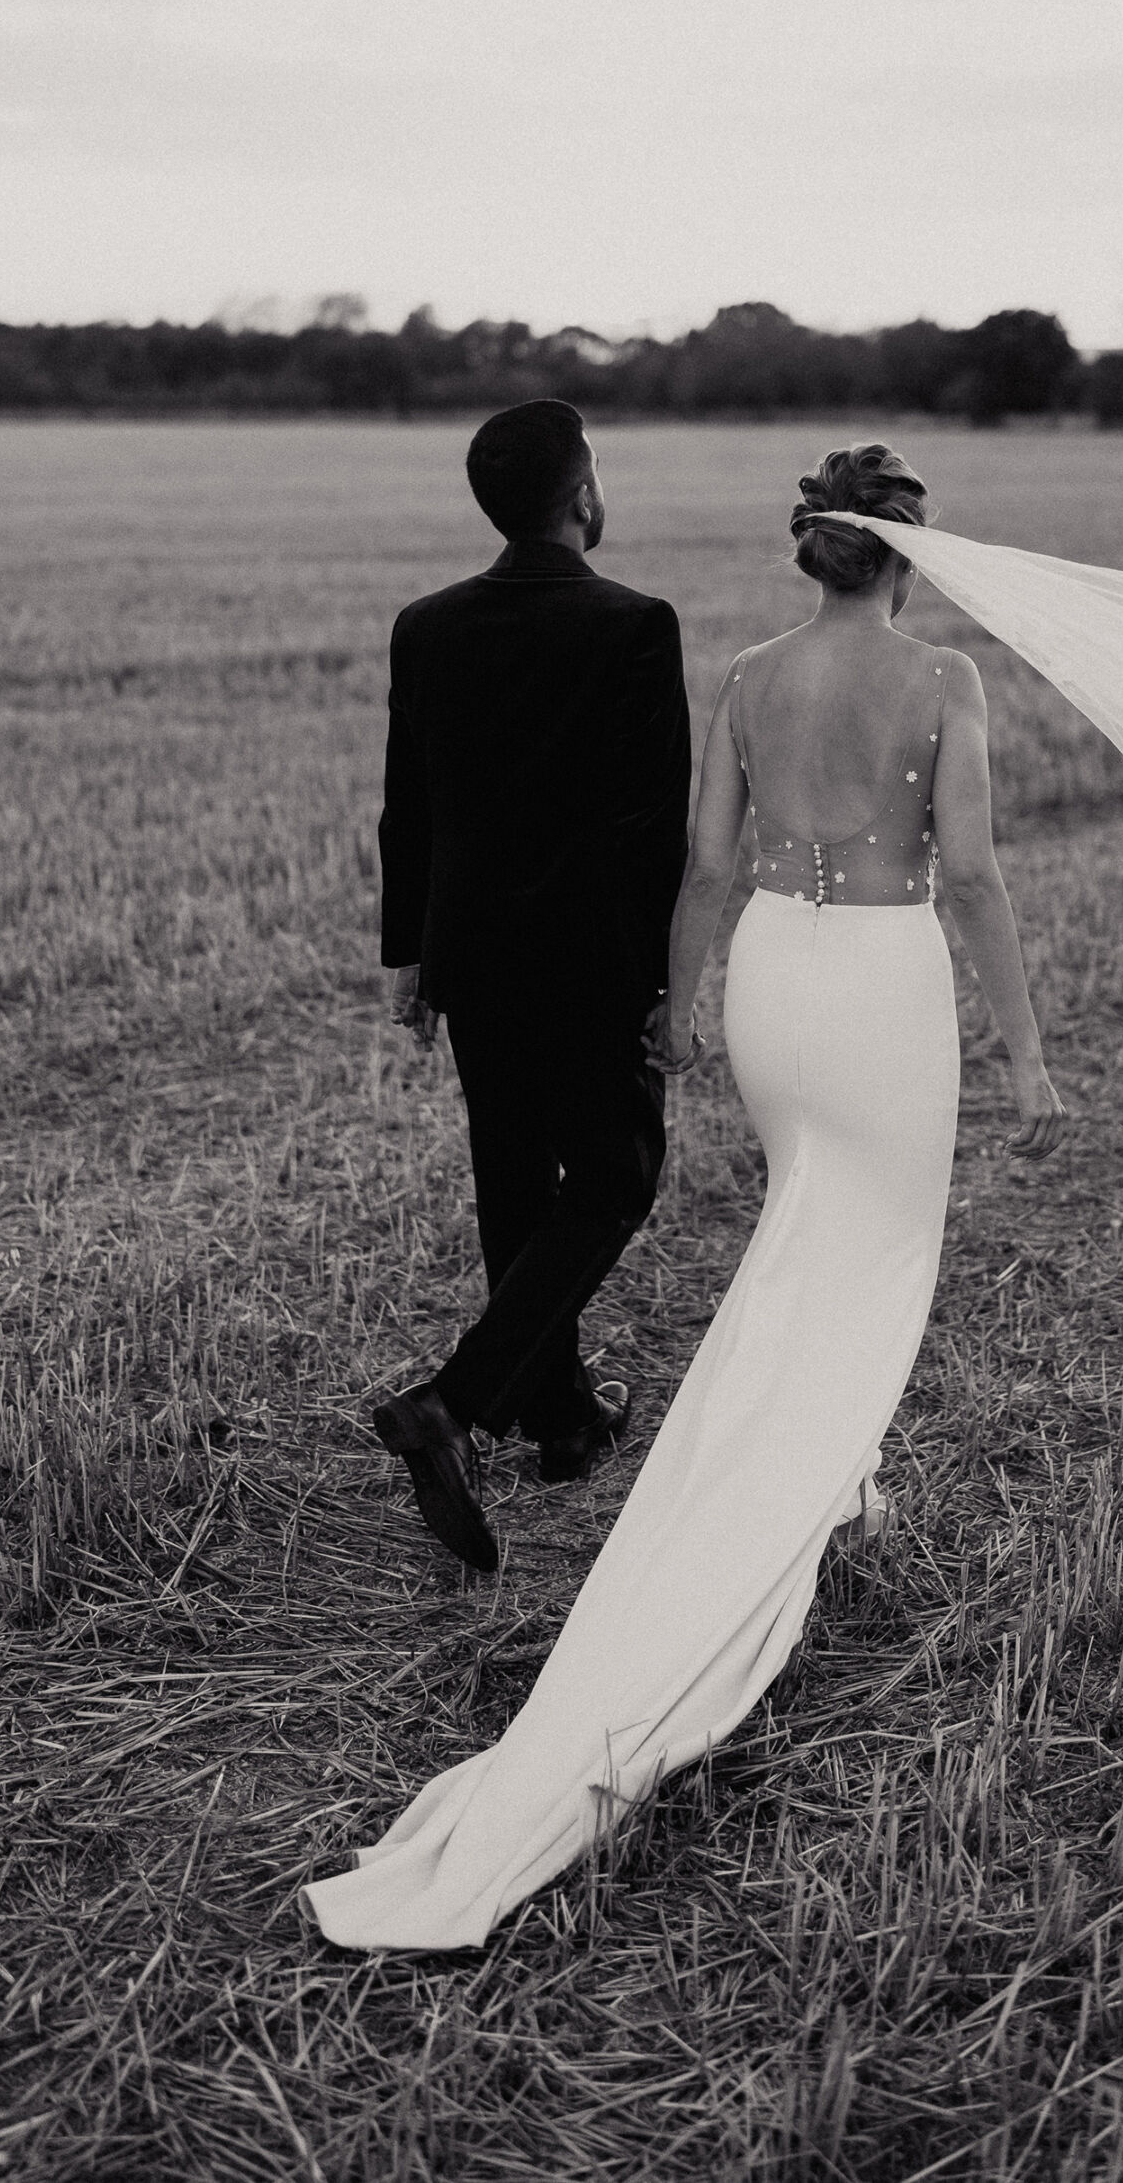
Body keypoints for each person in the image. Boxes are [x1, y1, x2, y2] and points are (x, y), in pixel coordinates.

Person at [304, 441, 1066, 1951]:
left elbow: (705, 870)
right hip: (880, 986)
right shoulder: (945, 687)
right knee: (863, 1250)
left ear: (810, 550)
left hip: (777, 981)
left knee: (800, 1229)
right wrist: (1027, 1052)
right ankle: (770, 1484)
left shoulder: (741, 673)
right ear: (909, 554)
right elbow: (970, 879)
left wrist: (684, 1001)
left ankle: (795, 1466)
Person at [370, 399, 691, 1573]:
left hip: (477, 958)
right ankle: (452, 1404)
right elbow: (654, 832)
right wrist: (671, 982)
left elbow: (413, 804)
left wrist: (410, 955)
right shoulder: (636, 627)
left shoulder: (427, 625)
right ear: (582, 496)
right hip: (594, 958)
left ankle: (560, 1421)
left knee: (514, 1179)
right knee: (615, 1175)